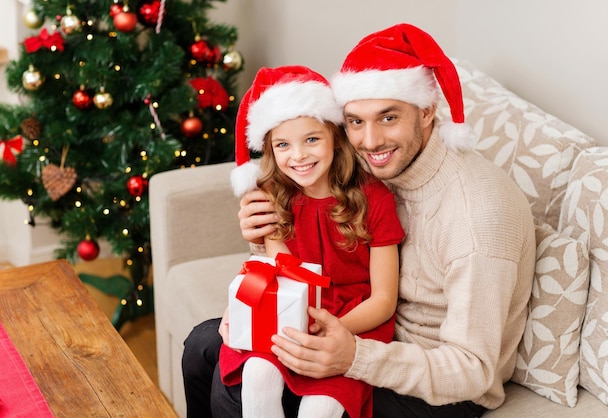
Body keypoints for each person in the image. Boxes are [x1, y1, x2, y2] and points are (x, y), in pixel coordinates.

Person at [182, 23, 536, 418]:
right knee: (202, 346)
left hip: (434, 381)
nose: (369, 141)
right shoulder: (368, 168)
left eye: (388, 118)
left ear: (427, 111)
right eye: (355, 121)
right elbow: (317, 235)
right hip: (356, 321)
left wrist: (352, 356)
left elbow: (474, 371)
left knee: (233, 389)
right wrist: (261, 249)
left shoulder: (477, 216)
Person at [220, 65, 405, 418]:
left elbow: (383, 299)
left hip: (352, 320)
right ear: (271, 150)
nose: (299, 156)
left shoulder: (375, 199)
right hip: (294, 311)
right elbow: (282, 273)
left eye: (312, 139)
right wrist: (247, 309)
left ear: (335, 136)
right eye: (283, 145)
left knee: (321, 407)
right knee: (257, 374)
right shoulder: (273, 195)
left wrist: (333, 330)